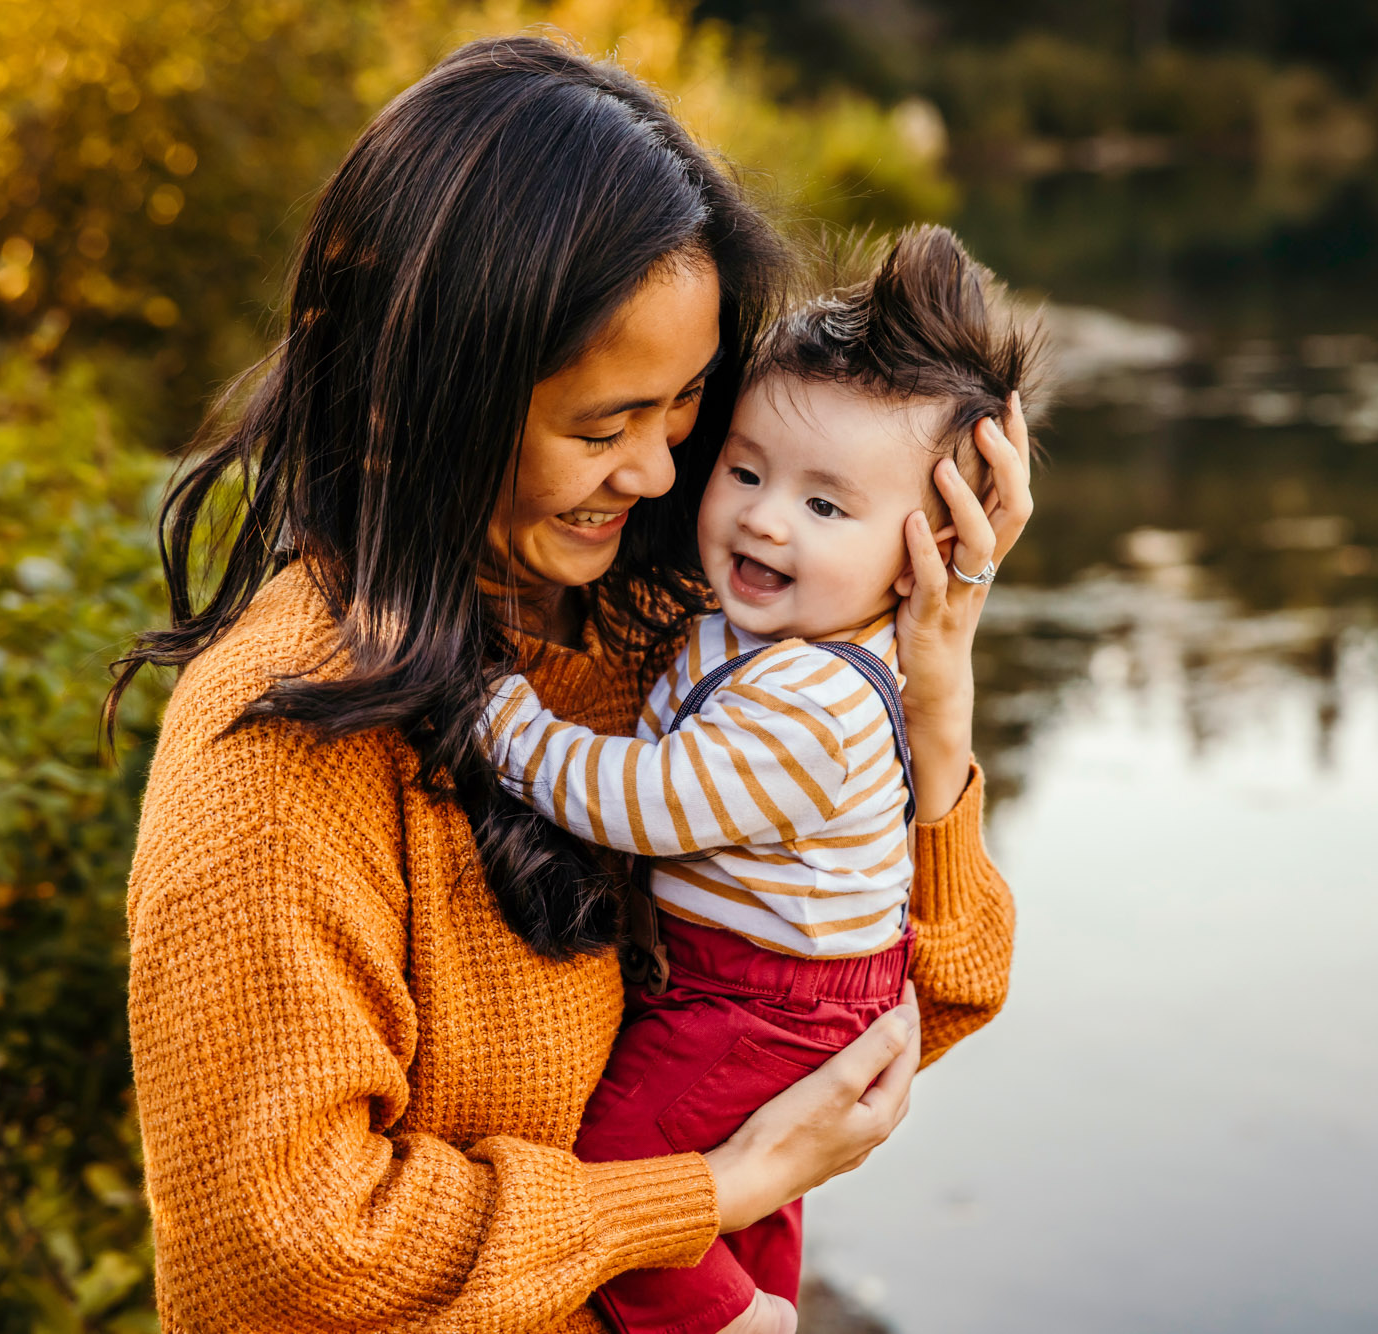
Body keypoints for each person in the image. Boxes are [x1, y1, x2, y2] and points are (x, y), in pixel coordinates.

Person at [108, 36, 1032, 1334]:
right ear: (431, 388)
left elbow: (908, 1007)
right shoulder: (283, 739)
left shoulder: (653, 630)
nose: (659, 475)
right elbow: (288, 1259)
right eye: (603, 426)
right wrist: (707, 1193)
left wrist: (933, 675)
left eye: (685, 413)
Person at [475, 224, 1046, 1334]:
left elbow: (647, 801)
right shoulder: (731, 622)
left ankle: (732, 1321)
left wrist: (507, 721)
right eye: (743, 468)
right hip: (766, 989)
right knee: (736, 1179)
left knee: (623, 1170)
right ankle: (767, 1293)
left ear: (927, 544)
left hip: (758, 995)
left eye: (826, 505)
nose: (766, 515)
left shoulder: (811, 697)